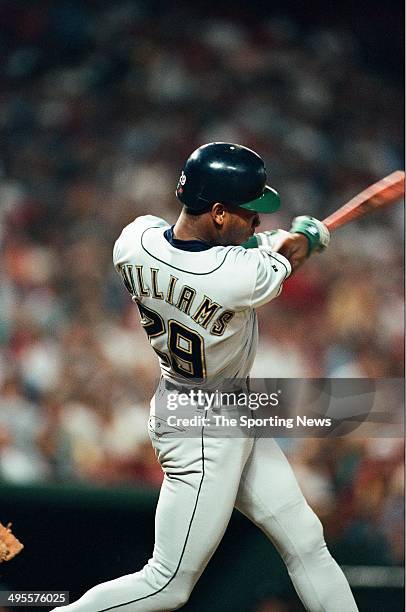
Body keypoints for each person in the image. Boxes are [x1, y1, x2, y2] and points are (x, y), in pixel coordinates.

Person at [55, 143, 358, 611]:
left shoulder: (133, 241)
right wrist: (308, 236)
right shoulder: (237, 277)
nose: (257, 220)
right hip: (201, 426)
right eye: (248, 211)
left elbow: (249, 249)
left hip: (211, 404)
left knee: (305, 539)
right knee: (166, 583)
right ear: (217, 212)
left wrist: (283, 239)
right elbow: (284, 255)